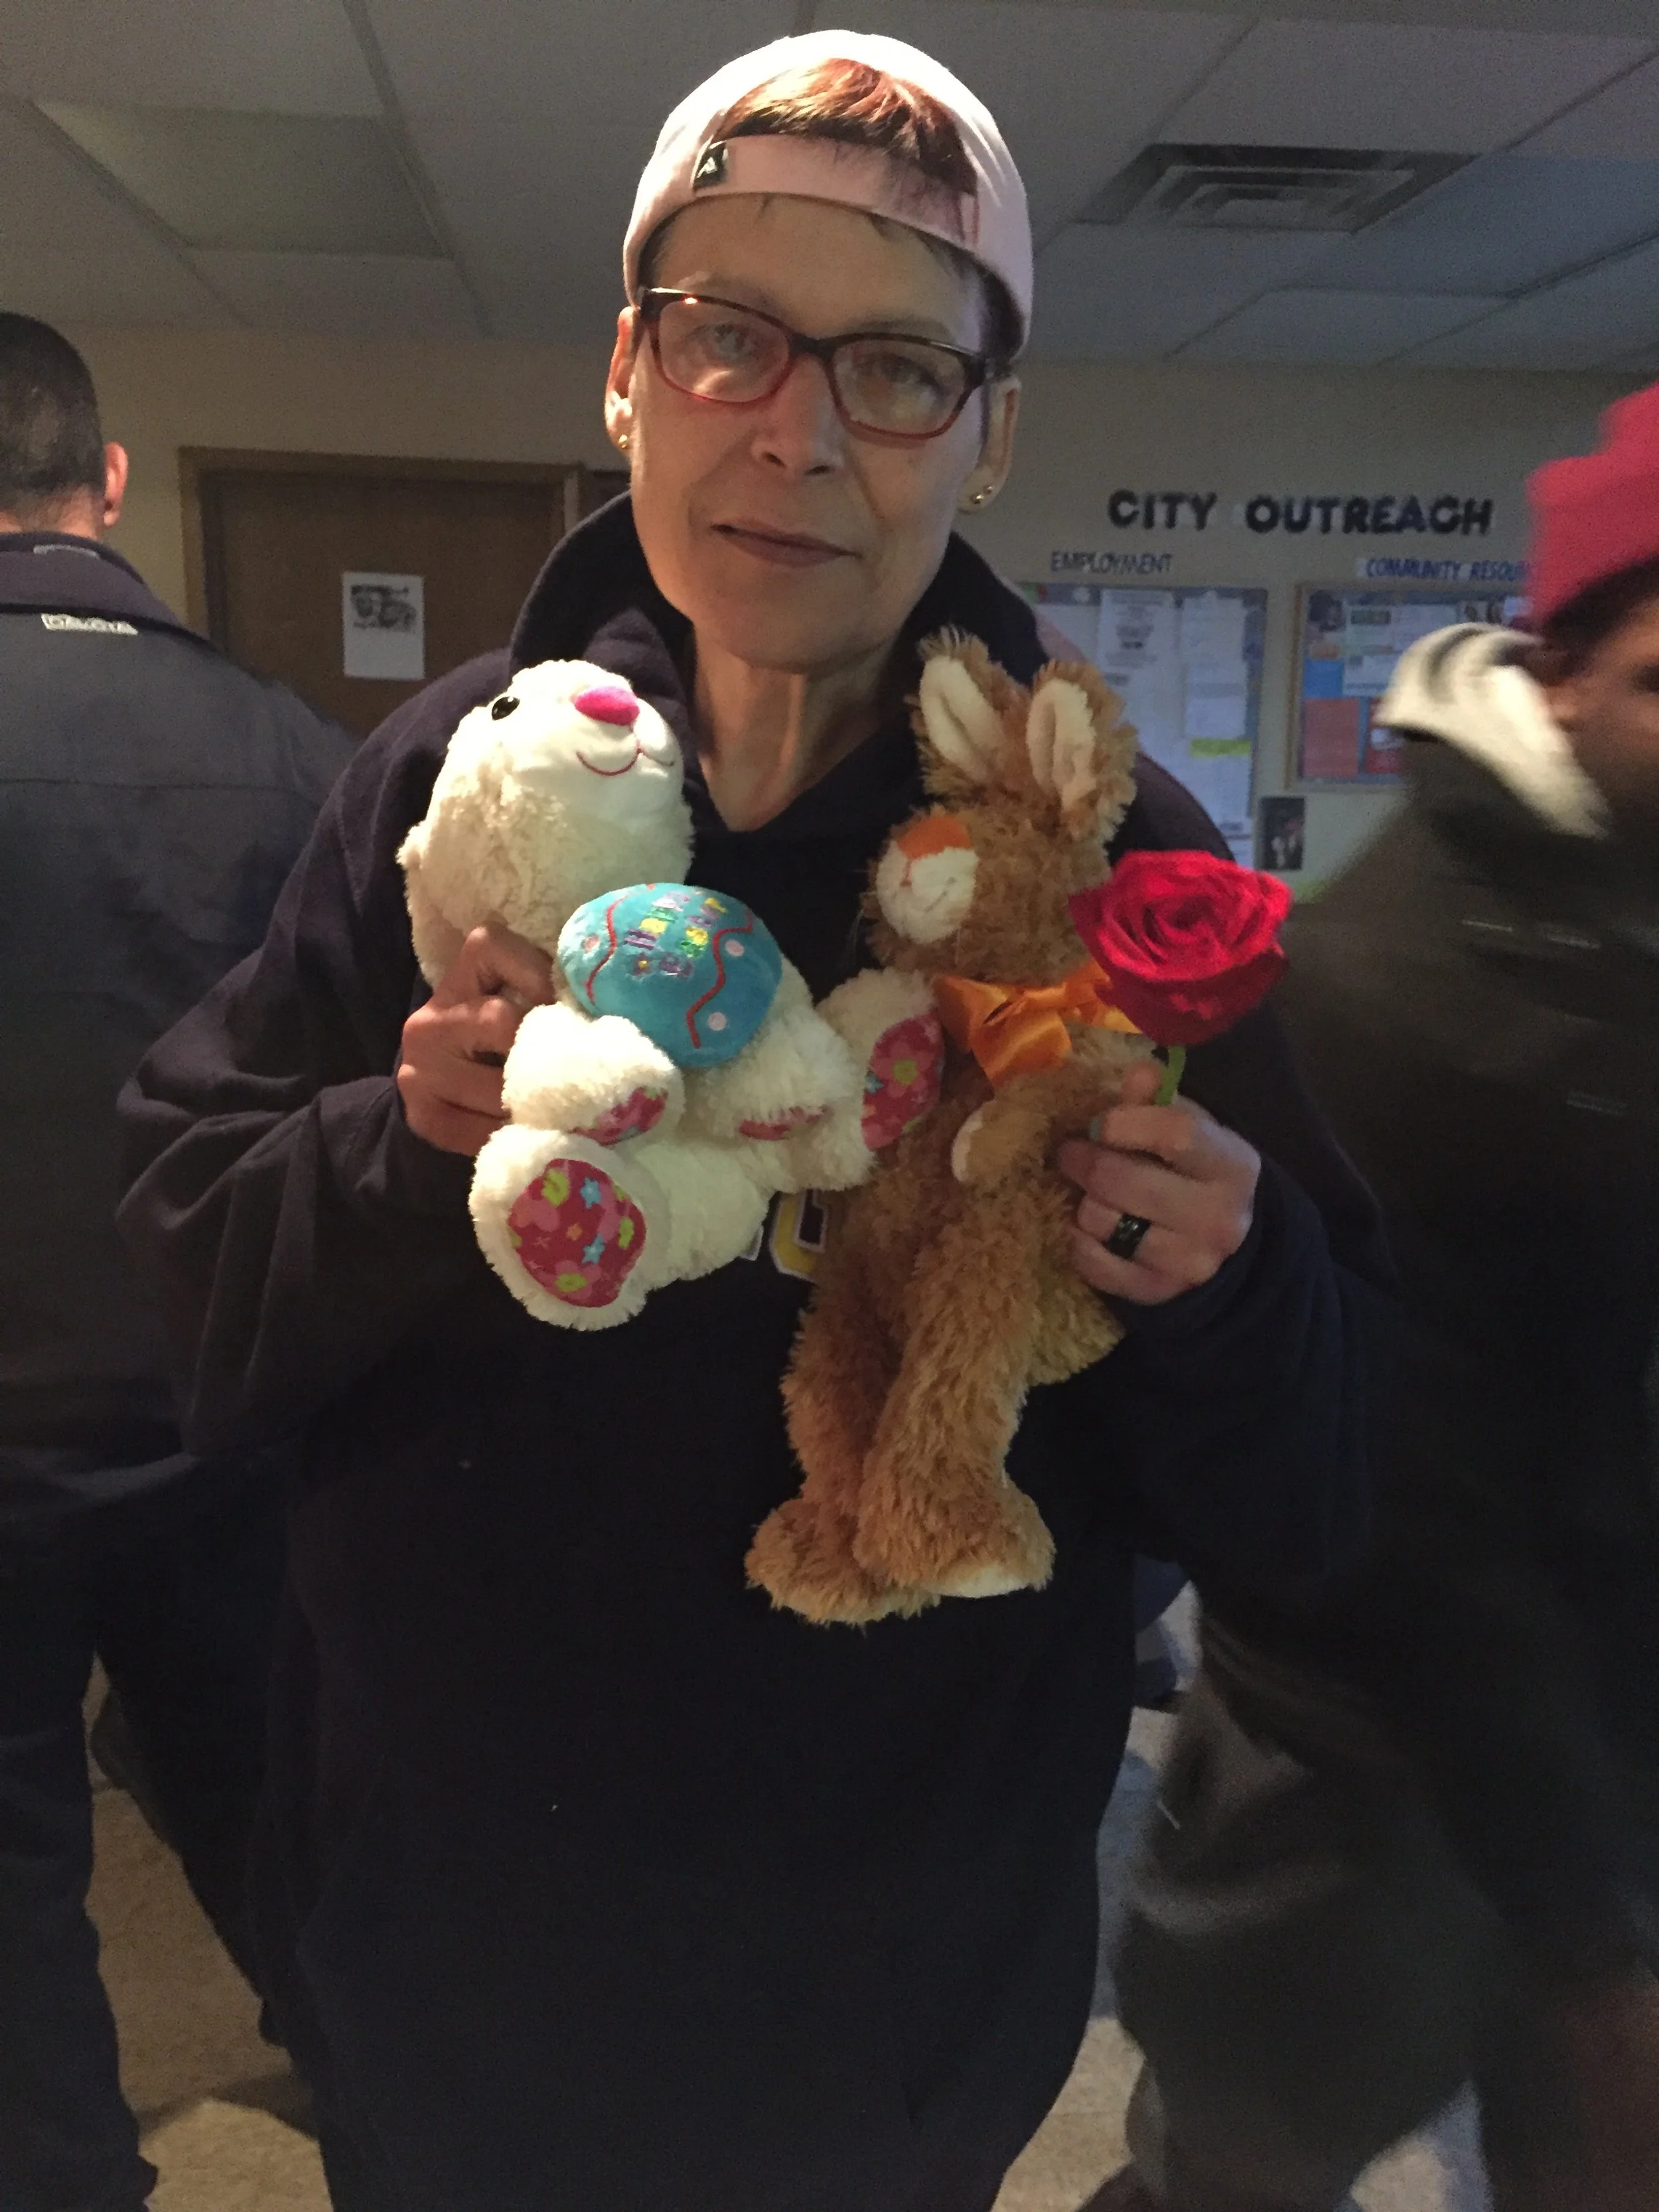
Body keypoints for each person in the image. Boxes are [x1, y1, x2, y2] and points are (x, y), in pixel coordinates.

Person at [116, 37, 1390, 2212]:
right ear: (628, 377)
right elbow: (189, 1294)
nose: (794, 429)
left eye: (897, 368)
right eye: (726, 339)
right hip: (446, 1964)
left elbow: (1317, 1491)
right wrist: (399, 1142)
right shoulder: (456, 787)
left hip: (879, 2004)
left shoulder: (1091, 851)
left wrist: (1231, 1279)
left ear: (989, 432)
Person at [1094, 386, 1659, 2212]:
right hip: (1356, 1788)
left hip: (1603, 1764)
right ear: (1564, 667)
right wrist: (1592, 1944)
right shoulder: (1390, 991)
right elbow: (1437, 1535)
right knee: (1233, 2176)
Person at [0, 313, 354, 2212]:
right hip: (222, 1409)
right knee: (262, 1787)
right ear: (107, 483)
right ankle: (381, 2090)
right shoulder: (303, 754)